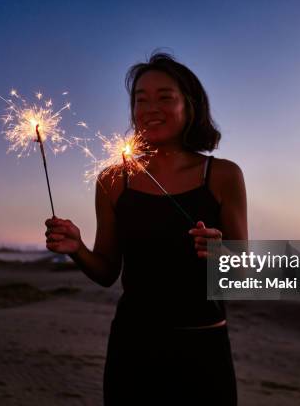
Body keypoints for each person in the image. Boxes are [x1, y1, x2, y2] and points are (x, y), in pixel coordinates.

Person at [45, 51, 247, 405]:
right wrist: (77, 249)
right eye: (141, 100)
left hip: (203, 349)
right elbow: (107, 271)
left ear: (190, 105)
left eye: (165, 97)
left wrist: (221, 254)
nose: (150, 108)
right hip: (133, 350)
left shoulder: (223, 175)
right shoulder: (112, 180)